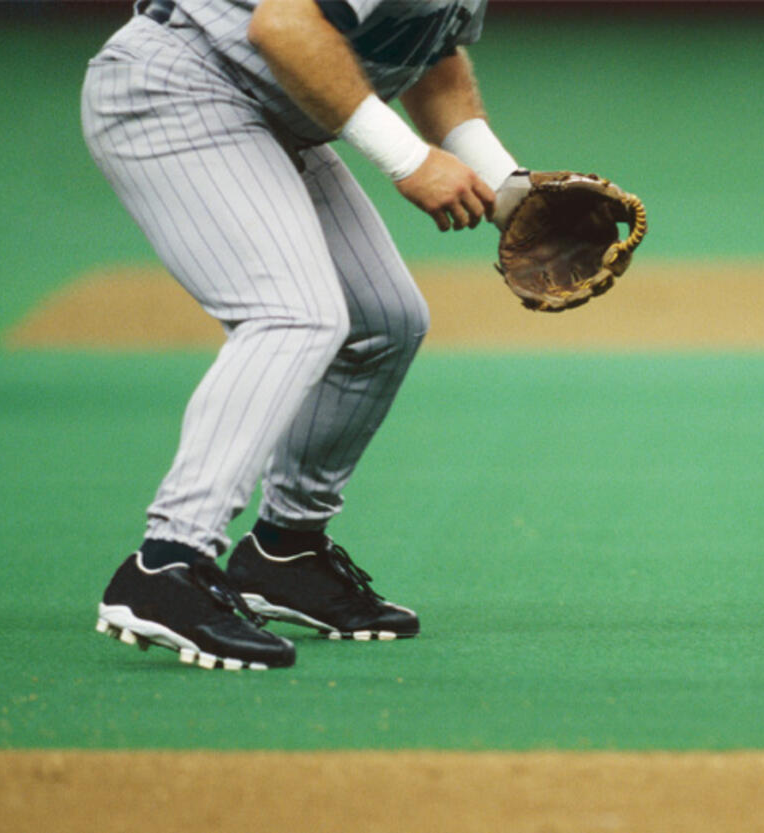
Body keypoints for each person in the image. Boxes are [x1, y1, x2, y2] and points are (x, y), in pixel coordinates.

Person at [83, 0, 527, 669]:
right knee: (292, 313)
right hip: (177, 88)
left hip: (266, 108)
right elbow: (283, 24)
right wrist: (410, 158)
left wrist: (511, 188)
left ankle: (283, 550)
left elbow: (429, 55)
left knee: (383, 323)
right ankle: (166, 563)